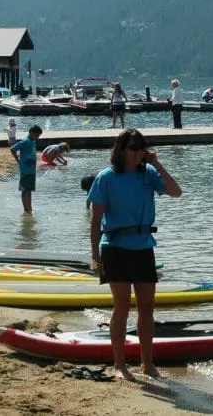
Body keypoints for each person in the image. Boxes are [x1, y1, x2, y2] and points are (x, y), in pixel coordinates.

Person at [87, 128, 182, 381]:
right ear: (121, 150)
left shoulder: (148, 174)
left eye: (141, 148)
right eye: (133, 148)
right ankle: (119, 364)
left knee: (147, 307)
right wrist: (95, 256)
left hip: (143, 247)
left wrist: (157, 163)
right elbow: (95, 221)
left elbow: (176, 191)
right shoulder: (106, 178)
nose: (138, 153)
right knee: (121, 306)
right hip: (115, 247)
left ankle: (147, 363)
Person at [10, 125, 42, 213]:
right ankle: (26, 209)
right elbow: (12, 149)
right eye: (37, 135)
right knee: (25, 190)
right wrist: (18, 161)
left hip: (31, 170)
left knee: (29, 190)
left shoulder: (32, 142)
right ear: (32, 133)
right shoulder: (25, 141)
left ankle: (29, 208)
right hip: (25, 170)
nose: (38, 137)